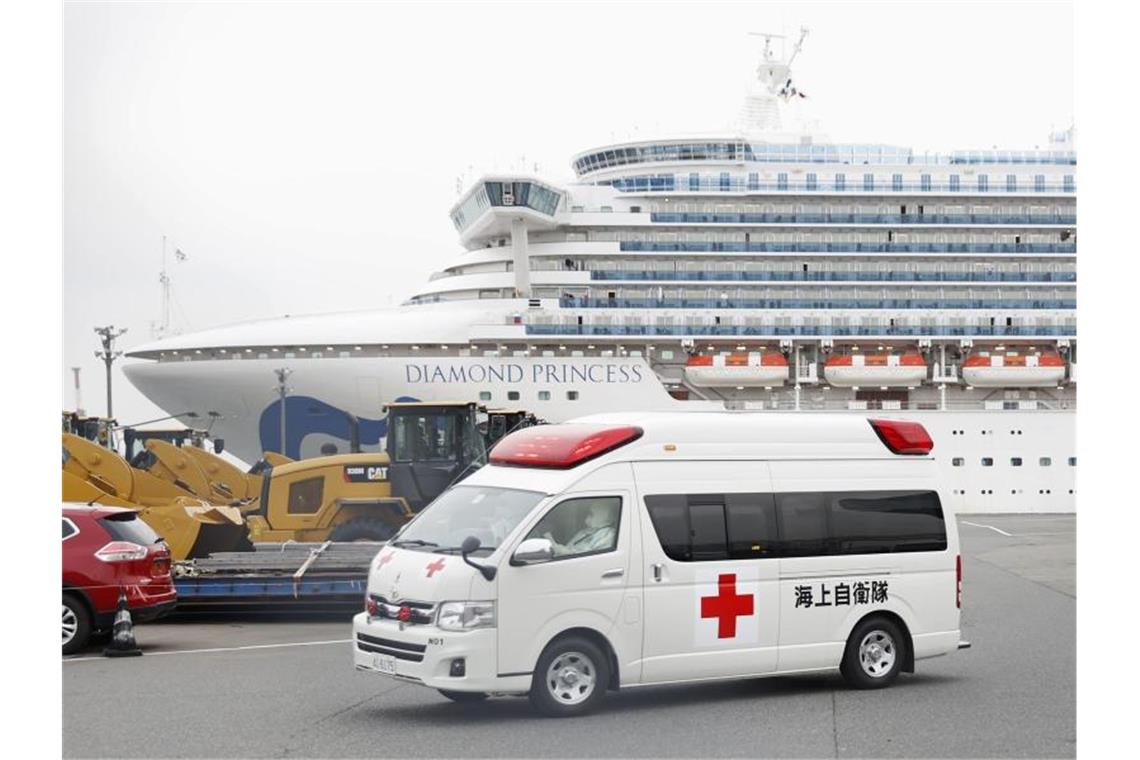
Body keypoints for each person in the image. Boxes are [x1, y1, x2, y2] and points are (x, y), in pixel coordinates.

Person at [544, 501, 617, 556]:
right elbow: (570, 548)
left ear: (602, 515)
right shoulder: (586, 531)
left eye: (591, 514)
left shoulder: (609, 535)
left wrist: (566, 552)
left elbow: (588, 557)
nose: (587, 519)